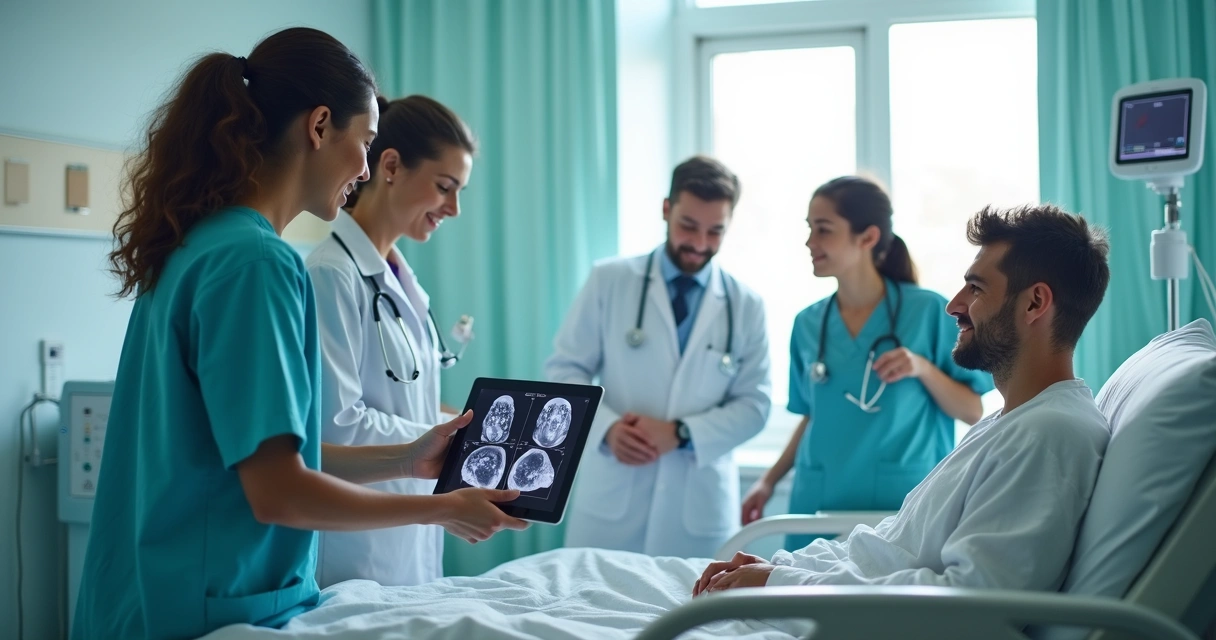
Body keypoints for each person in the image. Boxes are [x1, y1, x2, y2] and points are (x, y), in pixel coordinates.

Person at [74, 28, 525, 640]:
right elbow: (279, 493)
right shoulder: (256, 264)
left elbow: (259, 459)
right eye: (365, 143)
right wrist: (443, 508)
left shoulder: (200, 245)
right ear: (318, 127)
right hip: (208, 605)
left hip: (155, 589)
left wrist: (410, 459)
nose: (365, 168)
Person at [694, 203, 1111, 595]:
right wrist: (777, 569)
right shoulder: (1012, 422)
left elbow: (970, 604)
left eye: (976, 288)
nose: (954, 305)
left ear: (1035, 302)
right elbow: (887, 548)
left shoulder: (1048, 435)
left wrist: (780, 584)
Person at [743, 176, 994, 549]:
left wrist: (921, 368)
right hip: (818, 503)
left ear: (868, 237)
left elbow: (973, 410)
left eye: (823, 230)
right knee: (805, 600)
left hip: (901, 505)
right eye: (810, 229)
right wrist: (769, 481)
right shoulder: (808, 324)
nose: (810, 242)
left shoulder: (929, 311)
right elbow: (813, 415)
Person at [545, 156, 772, 558]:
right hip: (613, 495)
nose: (700, 244)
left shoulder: (746, 305)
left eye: (715, 231)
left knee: (697, 614)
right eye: (688, 226)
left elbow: (756, 405)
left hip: (698, 511)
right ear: (666, 210)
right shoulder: (609, 280)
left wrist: (683, 432)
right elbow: (564, 371)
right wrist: (608, 430)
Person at [306, 95, 476, 588]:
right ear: (392, 165)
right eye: (446, 187)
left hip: (407, 535)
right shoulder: (330, 276)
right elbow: (336, 429)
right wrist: (436, 434)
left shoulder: (401, 281)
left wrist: (466, 425)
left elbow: (407, 398)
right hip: (356, 553)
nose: (454, 208)